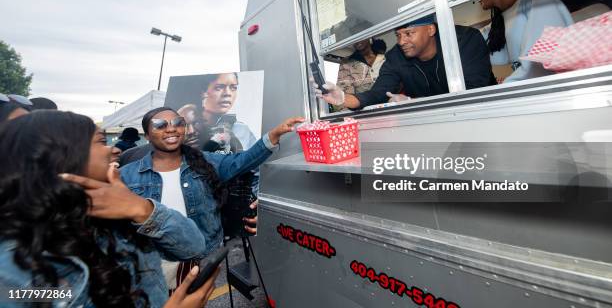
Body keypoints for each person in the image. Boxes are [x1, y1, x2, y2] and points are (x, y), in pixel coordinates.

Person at [0, 110, 219, 308]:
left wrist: (142, 209)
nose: (114, 149)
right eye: (101, 141)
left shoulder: (117, 216)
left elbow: (194, 247)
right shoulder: (10, 273)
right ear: (62, 156)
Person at [120, 107, 303, 290]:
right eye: (160, 125)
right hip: (154, 263)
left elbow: (244, 160)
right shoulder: (126, 175)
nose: (171, 129)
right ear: (147, 136)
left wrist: (274, 134)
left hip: (201, 259)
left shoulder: (206, 162)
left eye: (177, 123)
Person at [315, 15, 494, 109]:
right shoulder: (396, 57)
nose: (401, 42)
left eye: (408, 34)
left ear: (431, 29)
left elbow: (473, 91)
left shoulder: (464, 40)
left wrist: (413, 101)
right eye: (398, 35)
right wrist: (344, 99)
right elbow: (378, 93)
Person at [479, 0, 573, 83]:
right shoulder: (500, 20)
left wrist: (506, 87)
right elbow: (476, 40)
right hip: (537, 86)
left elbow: (540, 60)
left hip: (554, 85)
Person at [333, 38, 387, 111]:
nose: (357, 41)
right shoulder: (346, 63)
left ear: (368, 36)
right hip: (364, 112)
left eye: (360, 37)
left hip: (391, 106)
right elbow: (344, 94)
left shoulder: (385, 58)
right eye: (354, 38)